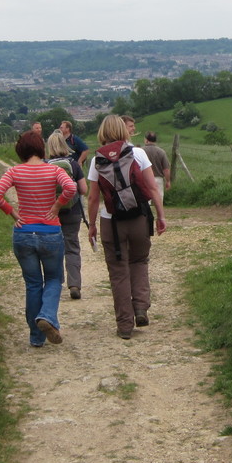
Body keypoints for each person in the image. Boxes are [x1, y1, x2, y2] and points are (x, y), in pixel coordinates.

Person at [0, 130, 76, 347]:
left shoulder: (15, 172)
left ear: (21, 150)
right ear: (40, 148)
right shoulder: (54, 169)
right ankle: (46, 317)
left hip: (24, 233)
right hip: (50, 233)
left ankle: (36, 338)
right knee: (54, 279)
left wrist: (13, 213)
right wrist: (56, 206)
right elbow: (71, 187)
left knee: (33, 284)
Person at [87, 115, 167, 340]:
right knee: (139, 261)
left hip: (111, 221)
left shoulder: (96, 160)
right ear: (124, 130)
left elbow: (93, 198)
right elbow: (152, 188)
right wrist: (160, 216)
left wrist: (92, 225)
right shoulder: (138, 153)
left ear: (102, 132)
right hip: (139, 217)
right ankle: (140, 308)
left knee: (118, 271)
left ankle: (124, 325)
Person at [46, 130, 89, 299]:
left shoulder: (45, 164)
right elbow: (84, 190)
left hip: (52, 213)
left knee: (54, 249)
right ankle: (74, 284)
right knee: (72, 247)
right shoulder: (73, 164)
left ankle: (55, 284)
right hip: (73, 211)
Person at [143, 131, 172, 197]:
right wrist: (168, 181)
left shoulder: (141, 151)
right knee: (159, 199)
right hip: (158, 179)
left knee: (146, 200)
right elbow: (166, 169)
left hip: (145, 178)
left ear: (146, 140)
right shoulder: (161, 152)